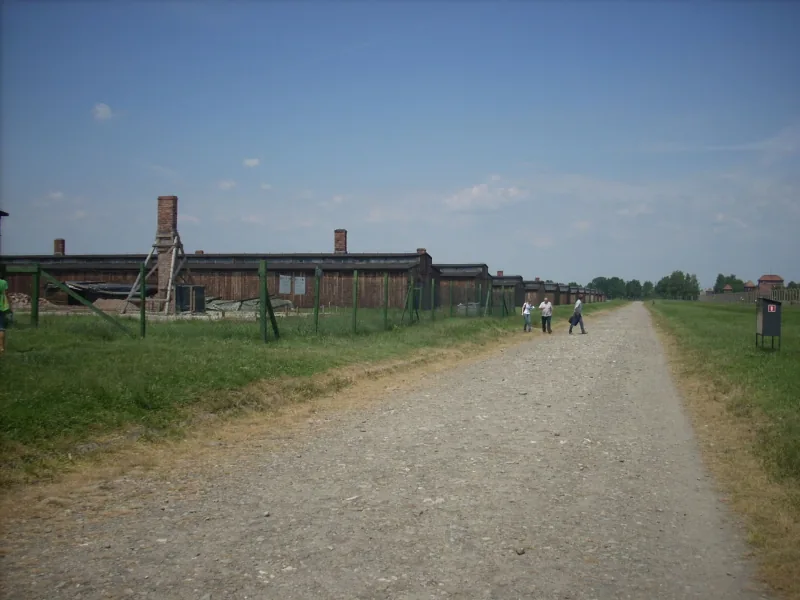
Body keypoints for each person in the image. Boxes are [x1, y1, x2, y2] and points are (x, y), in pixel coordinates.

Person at [0, 268, 10, 356]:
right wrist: (10, 305)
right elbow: (6, 294)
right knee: (1, 328)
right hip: (1, 307)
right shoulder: (3, 282)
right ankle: (1, 348)